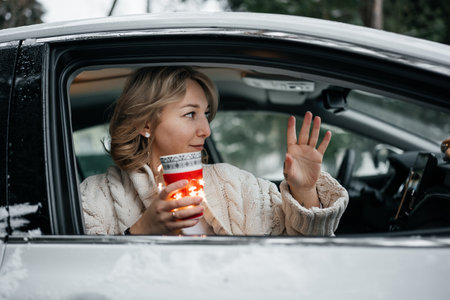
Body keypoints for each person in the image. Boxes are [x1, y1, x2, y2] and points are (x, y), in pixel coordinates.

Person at [80, 66, 348, 236]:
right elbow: (76, 280)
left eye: (206, 114)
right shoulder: (94, 198)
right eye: (190, 114)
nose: (206, 130)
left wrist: (305, 191)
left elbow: (308, 252)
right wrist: (140, 232)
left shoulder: (236, 183)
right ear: (145, 123)